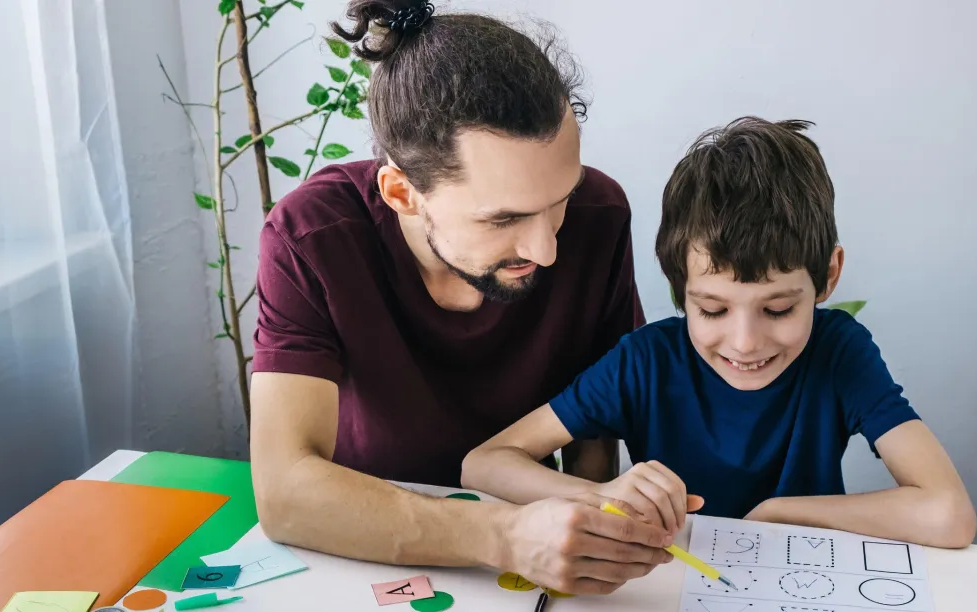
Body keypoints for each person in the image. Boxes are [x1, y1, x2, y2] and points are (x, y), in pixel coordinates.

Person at [249, 0, 674, 595]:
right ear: (401, 192)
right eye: (503, 219)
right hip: (361, 548)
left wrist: (596, 531)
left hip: (534, 556)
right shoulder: (311, 239)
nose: (548, 249)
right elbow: (286, 492)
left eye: (561, 199)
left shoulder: (601, 215)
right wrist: (503, 535)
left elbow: (594, 421)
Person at [462, 117, 977, 548]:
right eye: (711, 310)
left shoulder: (840, 352)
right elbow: (484, 465)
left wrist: (782, 513)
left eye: (777, 309)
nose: (745, 342)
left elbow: (948, 513)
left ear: (828, 277)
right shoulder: (645, 362)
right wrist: (604, 496)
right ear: (679, 288)